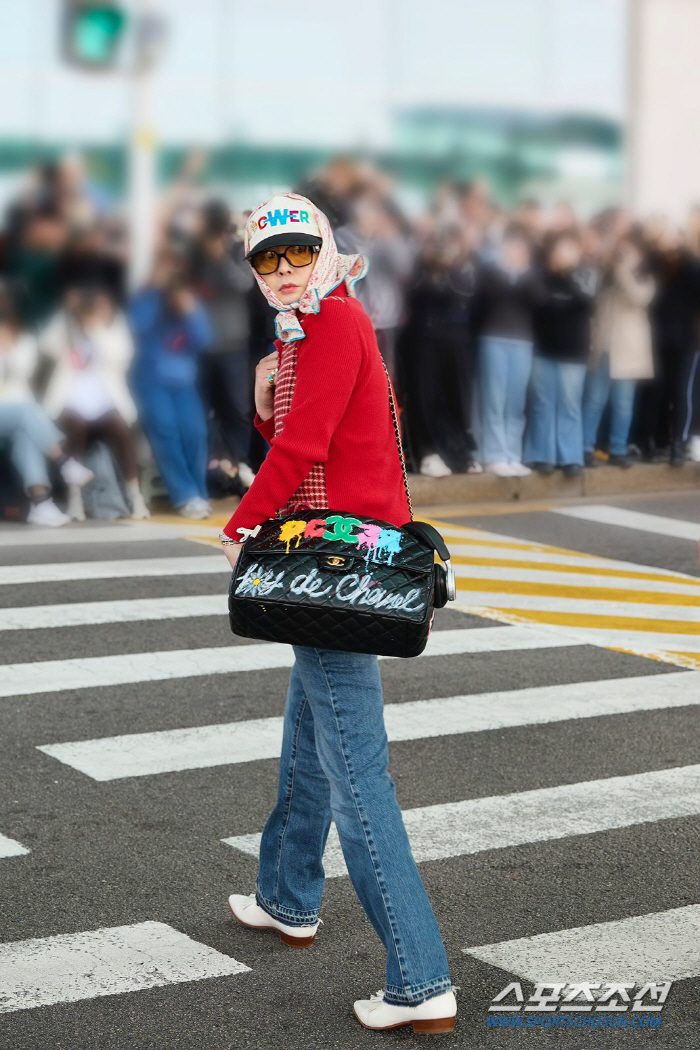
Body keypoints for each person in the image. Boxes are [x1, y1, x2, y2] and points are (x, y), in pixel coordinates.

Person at [220, 192, 459, 1034]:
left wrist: (242, 523)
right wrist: (262, 396)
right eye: (266, 260)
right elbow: (314, 431)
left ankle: (420, 977)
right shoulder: (317, 322)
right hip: (329, 554)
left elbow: (304, 447)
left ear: (321, 247)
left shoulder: (326, 324)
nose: (282, 272)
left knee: (358, 776)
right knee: (307, 733)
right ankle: (287, 897)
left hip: (336, 563)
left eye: (295, 253)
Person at [39, 285, 149, 521]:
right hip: (71, 399)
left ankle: (135, 498)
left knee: (121, 431)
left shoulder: (113, 326)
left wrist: (98, 327)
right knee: (74, 433)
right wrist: (66, 313)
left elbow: (121, 357)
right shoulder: (67, 326)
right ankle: (75, 500)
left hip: (105, 400)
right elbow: (46, 345)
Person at [127, 252, 213, 519]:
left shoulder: (188, 302)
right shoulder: (144, 300)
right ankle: (185, 495)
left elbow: (205, 339)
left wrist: (190, 311)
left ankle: (198, 492)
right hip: (150, 381)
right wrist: (155, 292)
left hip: (184, 382)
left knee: (195, 432)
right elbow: (136, 327)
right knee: (166, 432)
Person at [0, 285, 94, 525]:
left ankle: (41, 504)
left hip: (18, 415)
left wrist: (8, 351)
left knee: (27, 431)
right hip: (15, 412)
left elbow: (24, 372)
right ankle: (64, 463)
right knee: (28, 412)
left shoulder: (25, 341)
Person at [523, 230, 597, 476]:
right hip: (544, 348)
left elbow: (586, 302)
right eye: (558, 250)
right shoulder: (541, 275)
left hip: (573, 352)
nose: (562, 256)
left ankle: (570, 458)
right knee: (542, 403)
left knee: (570, 404)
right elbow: (542, 304)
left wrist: (570, 276)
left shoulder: (584, 274)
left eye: (568, 251)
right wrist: (558, 282)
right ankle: (540, 454)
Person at [472, 224, 543, 476]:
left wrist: (521, 274)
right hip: (494, 338)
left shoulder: (532, 276)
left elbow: (538, 301)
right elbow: (486, 298)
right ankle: (493, 454)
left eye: (520, 249)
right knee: (495, 399)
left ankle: (512, 454)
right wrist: (506, 272)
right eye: (511, 247)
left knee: (515, 401)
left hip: (523, 341)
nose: (515, 252)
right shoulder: (491, 272)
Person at [583, 232, 655, 468]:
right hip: (604, 347)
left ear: (640, 256)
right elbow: (593, 306)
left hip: (628, 352)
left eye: (629, 252)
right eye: (621, 252)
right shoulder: (607, 280)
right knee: (594, 400)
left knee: (623, 402)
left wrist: (623, 270)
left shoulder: (645, 279)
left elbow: (639, 298)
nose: (623, 257)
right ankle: (585, 446)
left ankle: (618, 448)